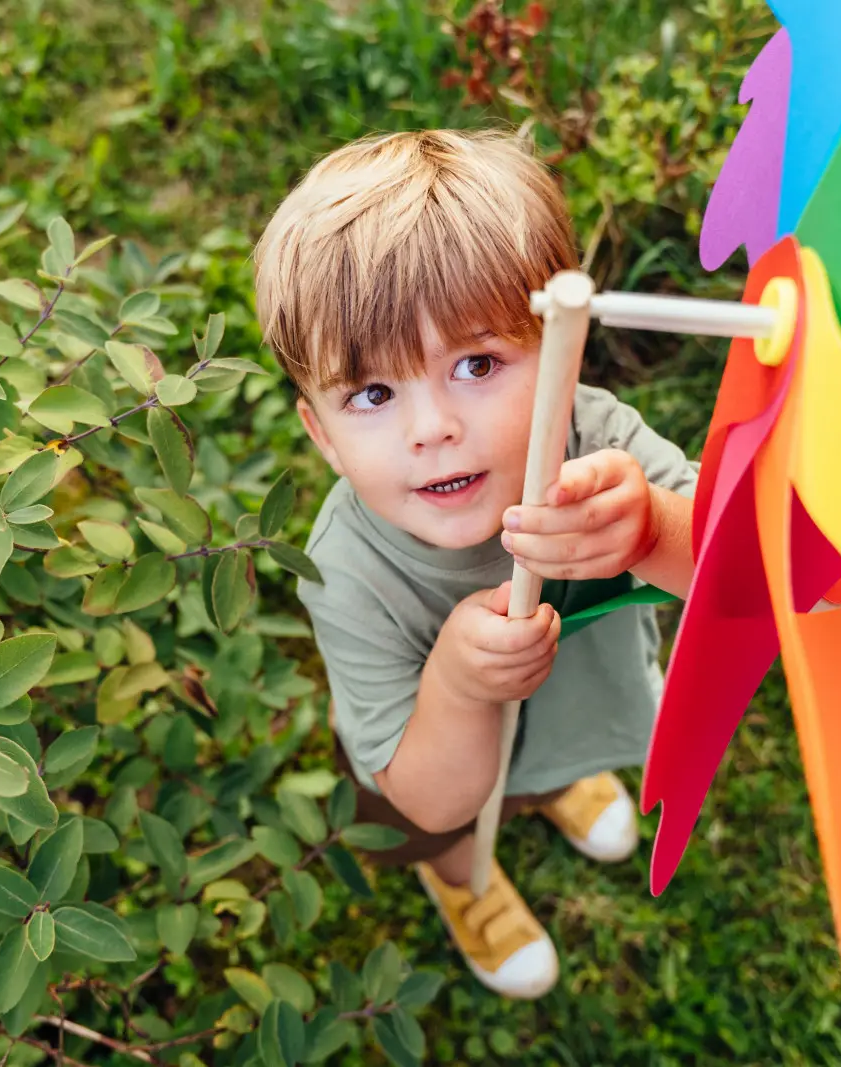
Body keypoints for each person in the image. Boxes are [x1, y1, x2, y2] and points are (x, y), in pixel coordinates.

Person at [252, 127, 699, 1000]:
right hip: (433, 769)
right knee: (451, 831)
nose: (430, 428)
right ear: (323, 437)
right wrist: (458, 685)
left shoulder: (600, 447)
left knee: (554, 760)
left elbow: (754, 579)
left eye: (477, 362)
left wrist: (652, 533)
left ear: (565, 366)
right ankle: (467, 885)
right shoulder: (346, 569)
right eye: (373, 393)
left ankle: (558, 782)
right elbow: (425, 796)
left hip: (575, 707)